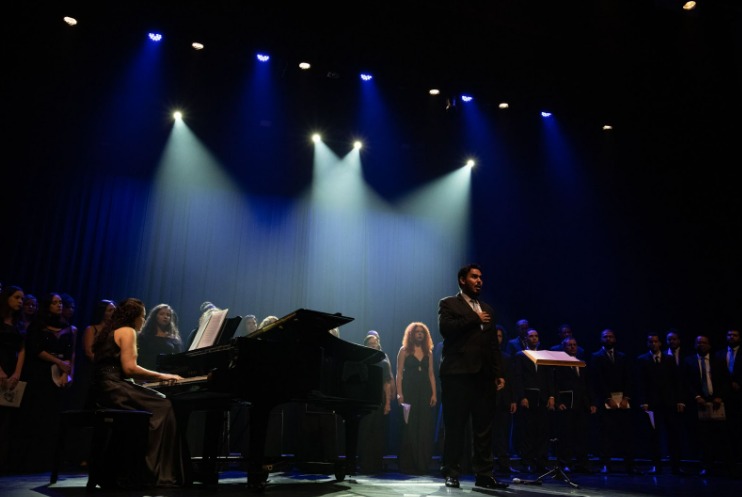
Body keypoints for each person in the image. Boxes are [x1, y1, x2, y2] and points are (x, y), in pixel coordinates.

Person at [90, 297, 186, 487]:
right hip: (115, 388)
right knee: (164, 405)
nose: (143, 321)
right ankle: (155, 472)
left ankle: (130, 469)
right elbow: (130, 369)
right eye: (142, 317)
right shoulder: (128, 331)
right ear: (134, 317)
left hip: (103, 389)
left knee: (152, 403)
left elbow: (115, 368)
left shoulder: (109, 332)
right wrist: (164, 376)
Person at [438, 263, 507, 489]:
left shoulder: (488, 309)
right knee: (455, 425)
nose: (479, 281)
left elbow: (492, 345)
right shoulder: (449, 303)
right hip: (457, 374)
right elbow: (446, 329)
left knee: (483, 428)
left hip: (483, 376)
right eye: (474, 277)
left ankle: (484, 474)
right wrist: (475, 318)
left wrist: (499, 373)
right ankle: (451, 472)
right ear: (462, 280)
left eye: (481, 277)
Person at [20, 292, 77, 472]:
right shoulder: (38, 326)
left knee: (53, 419)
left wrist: (66, 373)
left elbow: (69, 354)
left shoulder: (67, 327)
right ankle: (30, 461)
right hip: (39, 374)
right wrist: (58, 362)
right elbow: (36, 350)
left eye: (60, 302)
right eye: (54, 303)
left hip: (58, 375)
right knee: (36, 416)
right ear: (47, 306)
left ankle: (48, 461)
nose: (58, 305)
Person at [633, 332, 685, 475]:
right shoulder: (642, 359)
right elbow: (640, 382)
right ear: (647, 344)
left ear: (660, 343)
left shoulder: (669, 359)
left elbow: (676, 381)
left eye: (656, 341)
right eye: (651, 342)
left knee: (673, 434)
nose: (653, 344)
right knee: (653, 435)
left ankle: (676, 465)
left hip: (669, 402)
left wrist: (679, 400)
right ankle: (656, 465)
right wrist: (643, 401)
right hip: (652, 404)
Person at [590, 328, 638, 474]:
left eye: (611, 337)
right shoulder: (596, 356)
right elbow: (597, 380)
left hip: (623, 400)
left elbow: (629, 378)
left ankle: (629, 465)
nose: (608, 339)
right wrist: (607, 398)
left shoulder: (622, 356)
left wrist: (626, 398)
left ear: (615, 339)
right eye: (605, 337)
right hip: (606, 401)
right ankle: (606, 464)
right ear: (601, 339)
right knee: (606, 434)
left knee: (627, 433)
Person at [682, 335, 729, 476]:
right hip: (699, 402)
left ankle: (725, 466)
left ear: (709, 345)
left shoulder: (718, 360)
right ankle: (706, 466)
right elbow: (685, 382)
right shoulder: (689, 360)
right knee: (703, 437)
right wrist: (696, 396)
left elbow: (724, 379)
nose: (701, 345)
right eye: (698, 342)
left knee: (721, 436)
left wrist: (720, 396)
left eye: (704, 342)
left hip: (716, 402)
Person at [396, 322, 437, 474]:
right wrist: (399, 394)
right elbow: (399, 373)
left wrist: (434, 393)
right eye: (417, 332)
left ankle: (422, 464)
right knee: (410, 426)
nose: (420, 334)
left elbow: (431, 373)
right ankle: (408, 464)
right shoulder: (404, 350)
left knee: (424, 426)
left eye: (422, 332)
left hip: (425, 391)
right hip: (409, 391)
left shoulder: (429, 352)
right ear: (411, 334)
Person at [511, 329, 554, 473]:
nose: (534, 338)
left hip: (542, 397)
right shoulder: (521, 355)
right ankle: (527, 461)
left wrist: (551, 396)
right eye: (531, 336)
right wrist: (522, 396)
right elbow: (518, 377)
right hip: (528, 397)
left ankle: (542, 461)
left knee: (543, 431)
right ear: (525, 339)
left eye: (536, 336)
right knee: (527, 431)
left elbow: (549, 378)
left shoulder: (544, 355)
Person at [553, 337, 595, 473]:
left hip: (581, 405)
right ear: (564, 347)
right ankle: (565, 463)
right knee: (566, 435)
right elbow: (555, 384)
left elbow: (588, 384)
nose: (572, 347)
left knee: (582, 435)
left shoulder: (581, 363)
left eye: (574, 345)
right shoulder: (559, 364)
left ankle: (582, 463)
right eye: (569, 345)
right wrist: (558, 402)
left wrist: (591, 403)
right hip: (567, 404)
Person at [357, 330, 394, 474]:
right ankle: (364, 464)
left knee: (377, 432)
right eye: (370, 344)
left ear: (379, 344)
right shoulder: (362, 358)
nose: (373, 345)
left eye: (375, 343)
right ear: (366, 345)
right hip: (365, 397)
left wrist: (388, 403)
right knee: (365, 431)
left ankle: (376, 464)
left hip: (379, 398)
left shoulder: (384, 359)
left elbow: (386, 382)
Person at [0, 285, 26, 473]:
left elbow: (22, 349)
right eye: (17, 297)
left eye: (22, 299)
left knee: (6, 420)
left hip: (12, 369)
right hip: (1, 367)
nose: (20, 301)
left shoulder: (19, 323)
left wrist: (17, 373)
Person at [492, 324, 518, 474]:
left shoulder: (507, 357)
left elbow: (512, 380)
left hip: (503, 400)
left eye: (500, 336)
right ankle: (487, 463)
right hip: (487, 399)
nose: (497, 338)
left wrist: (513, 400)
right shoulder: (483, 355)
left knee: (503, 433)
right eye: (495, 335)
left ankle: (504, 463)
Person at [136, 304, 183, 371]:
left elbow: (178, 360)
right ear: (155, 316)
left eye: (168, 315)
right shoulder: (144, 336)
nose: (165, 317)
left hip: (168, 373)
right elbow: (140, 358)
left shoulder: (174, 338)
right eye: (162, 314)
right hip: (147, 372)